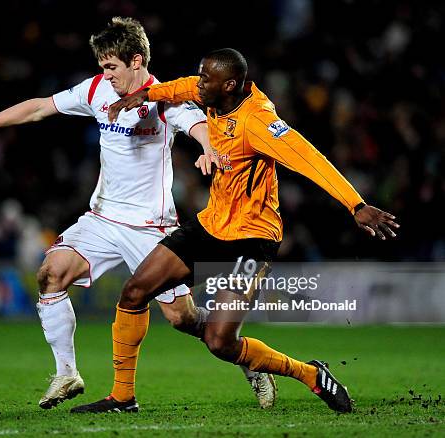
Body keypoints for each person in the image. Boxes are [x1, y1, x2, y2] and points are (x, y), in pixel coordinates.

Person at [0, 23, 276, 410]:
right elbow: (40, 107)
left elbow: (199, 124)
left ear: (136, 61)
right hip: (101, 219)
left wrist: (208, 148)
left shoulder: (163, 98)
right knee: (50, 274)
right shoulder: (95, 90)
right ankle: (66, 372)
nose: (106, 75)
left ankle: (247, 360)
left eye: (111, 67)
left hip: (151, 227)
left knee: (182, 319)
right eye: (102, 67)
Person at [71, 48, 399, 414]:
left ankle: (309, 374)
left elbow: (309, 158)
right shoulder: (211, 94)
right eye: (200, 75)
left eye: (206, 79)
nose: (199, 84)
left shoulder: (257, 121)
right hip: (212, 225)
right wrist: (142, 95)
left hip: (252, 239)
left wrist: (356, 204)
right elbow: (177, 88)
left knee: (220, 341)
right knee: (133, 293)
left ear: (229, 85)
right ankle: (122, 397)